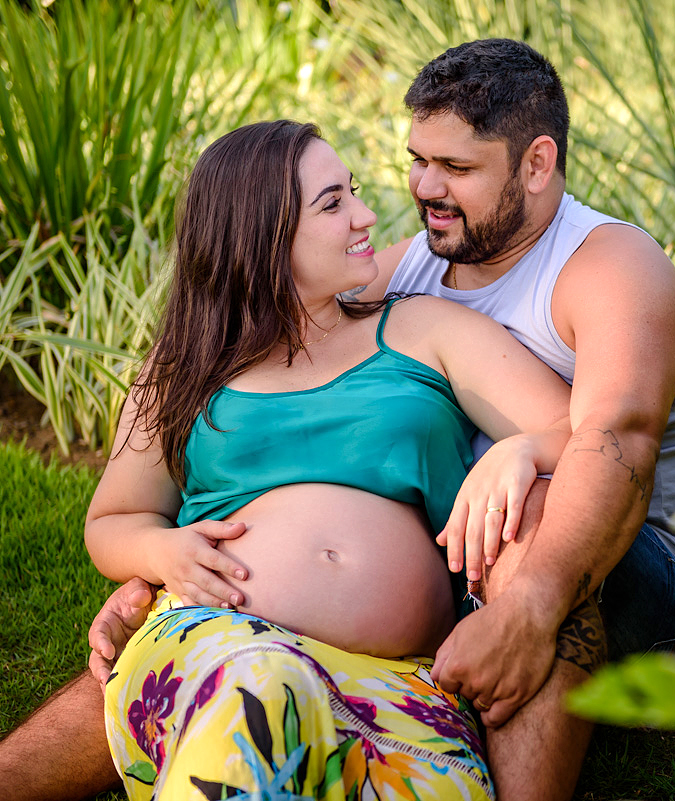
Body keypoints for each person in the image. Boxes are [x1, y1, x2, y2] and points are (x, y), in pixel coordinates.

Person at [0, 38, 675, 801]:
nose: (419, 192)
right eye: (416, 161)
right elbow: (135, 502)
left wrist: (525, 465)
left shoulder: (607, 267)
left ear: (536, 165)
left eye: (457, 169)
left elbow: (610, 442)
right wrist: (151, 561)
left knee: (538, 503)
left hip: (614, 561)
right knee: (256, 685)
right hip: (369, 599)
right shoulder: (405, 268)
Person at [83, 118, 574, 800]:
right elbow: (113, 519)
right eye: (333, 203)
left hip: (401, 682)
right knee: (261, 703)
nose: (368, 215)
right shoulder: (184, 371)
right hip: (228, 645)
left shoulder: (422, 330)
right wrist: (161, 554)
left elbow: (580, 429)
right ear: (259, 234)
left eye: (355, 191)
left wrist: (522, 448)